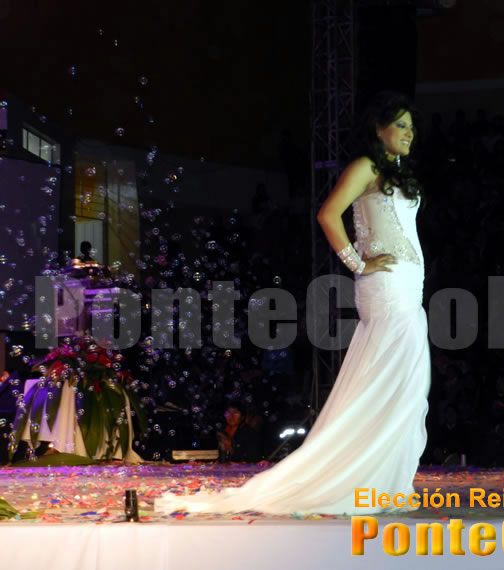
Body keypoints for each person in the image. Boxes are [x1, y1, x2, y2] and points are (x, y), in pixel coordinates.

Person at [155, 91, 430, 515]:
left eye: (411, 126)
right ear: (379, 130)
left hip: (409, 285)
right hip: (387, 286)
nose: (409, 132)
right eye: (401, 124)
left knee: (406, 385)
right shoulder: (365, 167)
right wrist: (357, 263)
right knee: (388, 379)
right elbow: (328, 214)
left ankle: (384, 477)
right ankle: (355, 474)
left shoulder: (398, 173)